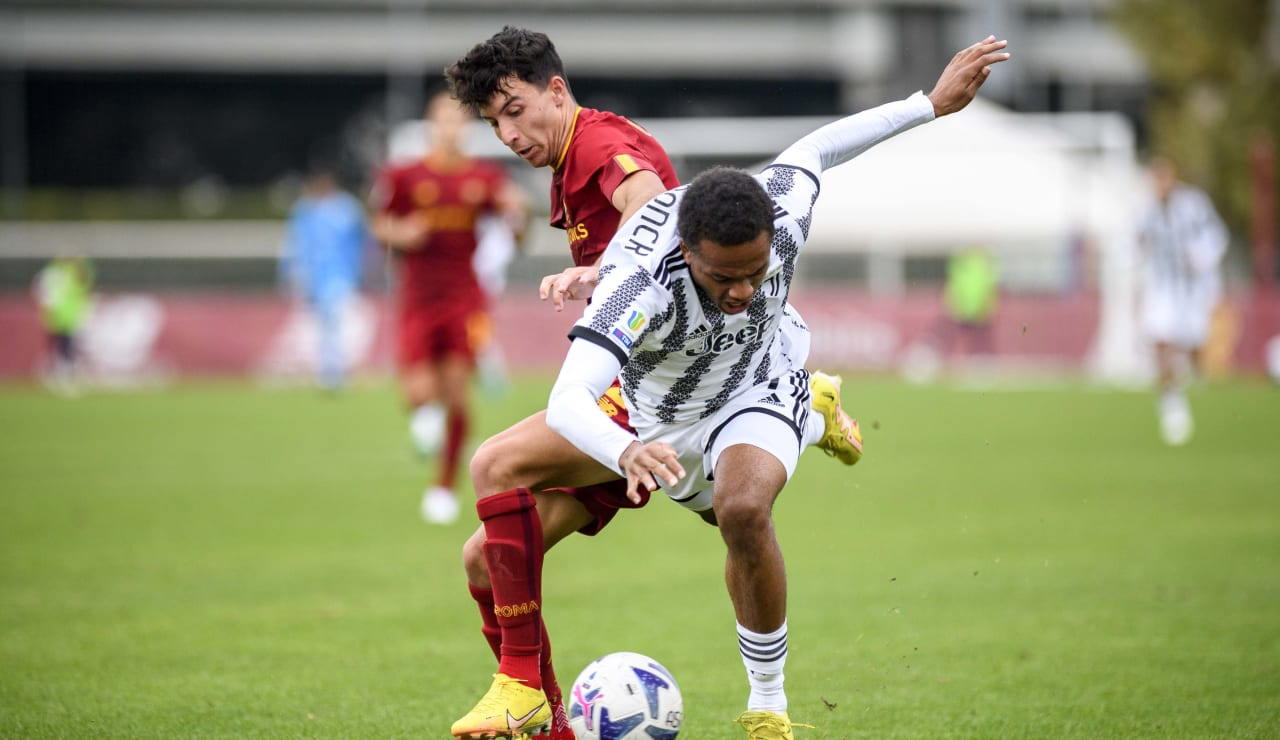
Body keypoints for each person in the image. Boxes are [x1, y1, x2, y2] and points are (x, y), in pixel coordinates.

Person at [463, 35, 1009, 739]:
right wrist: (625, 442)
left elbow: (815, 148)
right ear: (688, 253)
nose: (745, 290)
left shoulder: (762, 203)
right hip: (661, 416)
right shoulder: (641, 280)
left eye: (755, 273)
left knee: (743, 506)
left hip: (755, 381)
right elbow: (576, 387)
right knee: (487, 556)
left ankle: (767, 709)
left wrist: (928, 105)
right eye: (725, 278)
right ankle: (543, 714)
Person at [443, 27, 862, 740]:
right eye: (492, 122)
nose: (507, 132)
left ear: (555, 89)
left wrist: (605, 269)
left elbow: (648, 203)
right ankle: (544, 719)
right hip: (654, 389)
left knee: (508, 474)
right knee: (488, 558)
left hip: (658, 396)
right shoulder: (569, 159)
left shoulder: (601, 147)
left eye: (514, 109)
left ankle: (526, 688)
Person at [370, 89, 529, 524]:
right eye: (443, 120)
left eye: (458, 121)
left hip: (465, 297)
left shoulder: (485, 177)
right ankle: (427, 421)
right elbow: (379, 223)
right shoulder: (405, 175)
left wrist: (522, 216)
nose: (450, 129)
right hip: (418, 297)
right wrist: (399, 233)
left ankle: (442, 487)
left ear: (468, 128)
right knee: (418, 391)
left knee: (457, 392)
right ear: (430, 127)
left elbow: (515, 229)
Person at [1137, 155, 1229, 445]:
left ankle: (1193, 384)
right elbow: (1135, 242)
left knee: (1195, 348)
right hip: (1162, 287)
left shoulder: (1193, 204)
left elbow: (1218, 235)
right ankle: (1171, 404)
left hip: (1192, 289)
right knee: (1160, 341)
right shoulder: (1146, 211)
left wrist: (1202, 256)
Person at [280, 166, 370, 391]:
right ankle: (326, 371)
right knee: (320, 325)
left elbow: (363, 240)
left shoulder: (347, 208)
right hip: (312, 277)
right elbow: (294, 243)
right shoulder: (304, 209)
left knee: (337, 322)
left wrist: (362, 268)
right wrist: (290, 272)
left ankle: (337, 371)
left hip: (341, 276)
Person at [32, 253, 95, 395]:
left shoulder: (69, 272)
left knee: (66, 348)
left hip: (70, 317)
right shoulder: (54, 273)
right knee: (63, 348)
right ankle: (60, 377)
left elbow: (84, 285)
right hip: (61, 317)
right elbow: (44, 293)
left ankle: (62, 376)